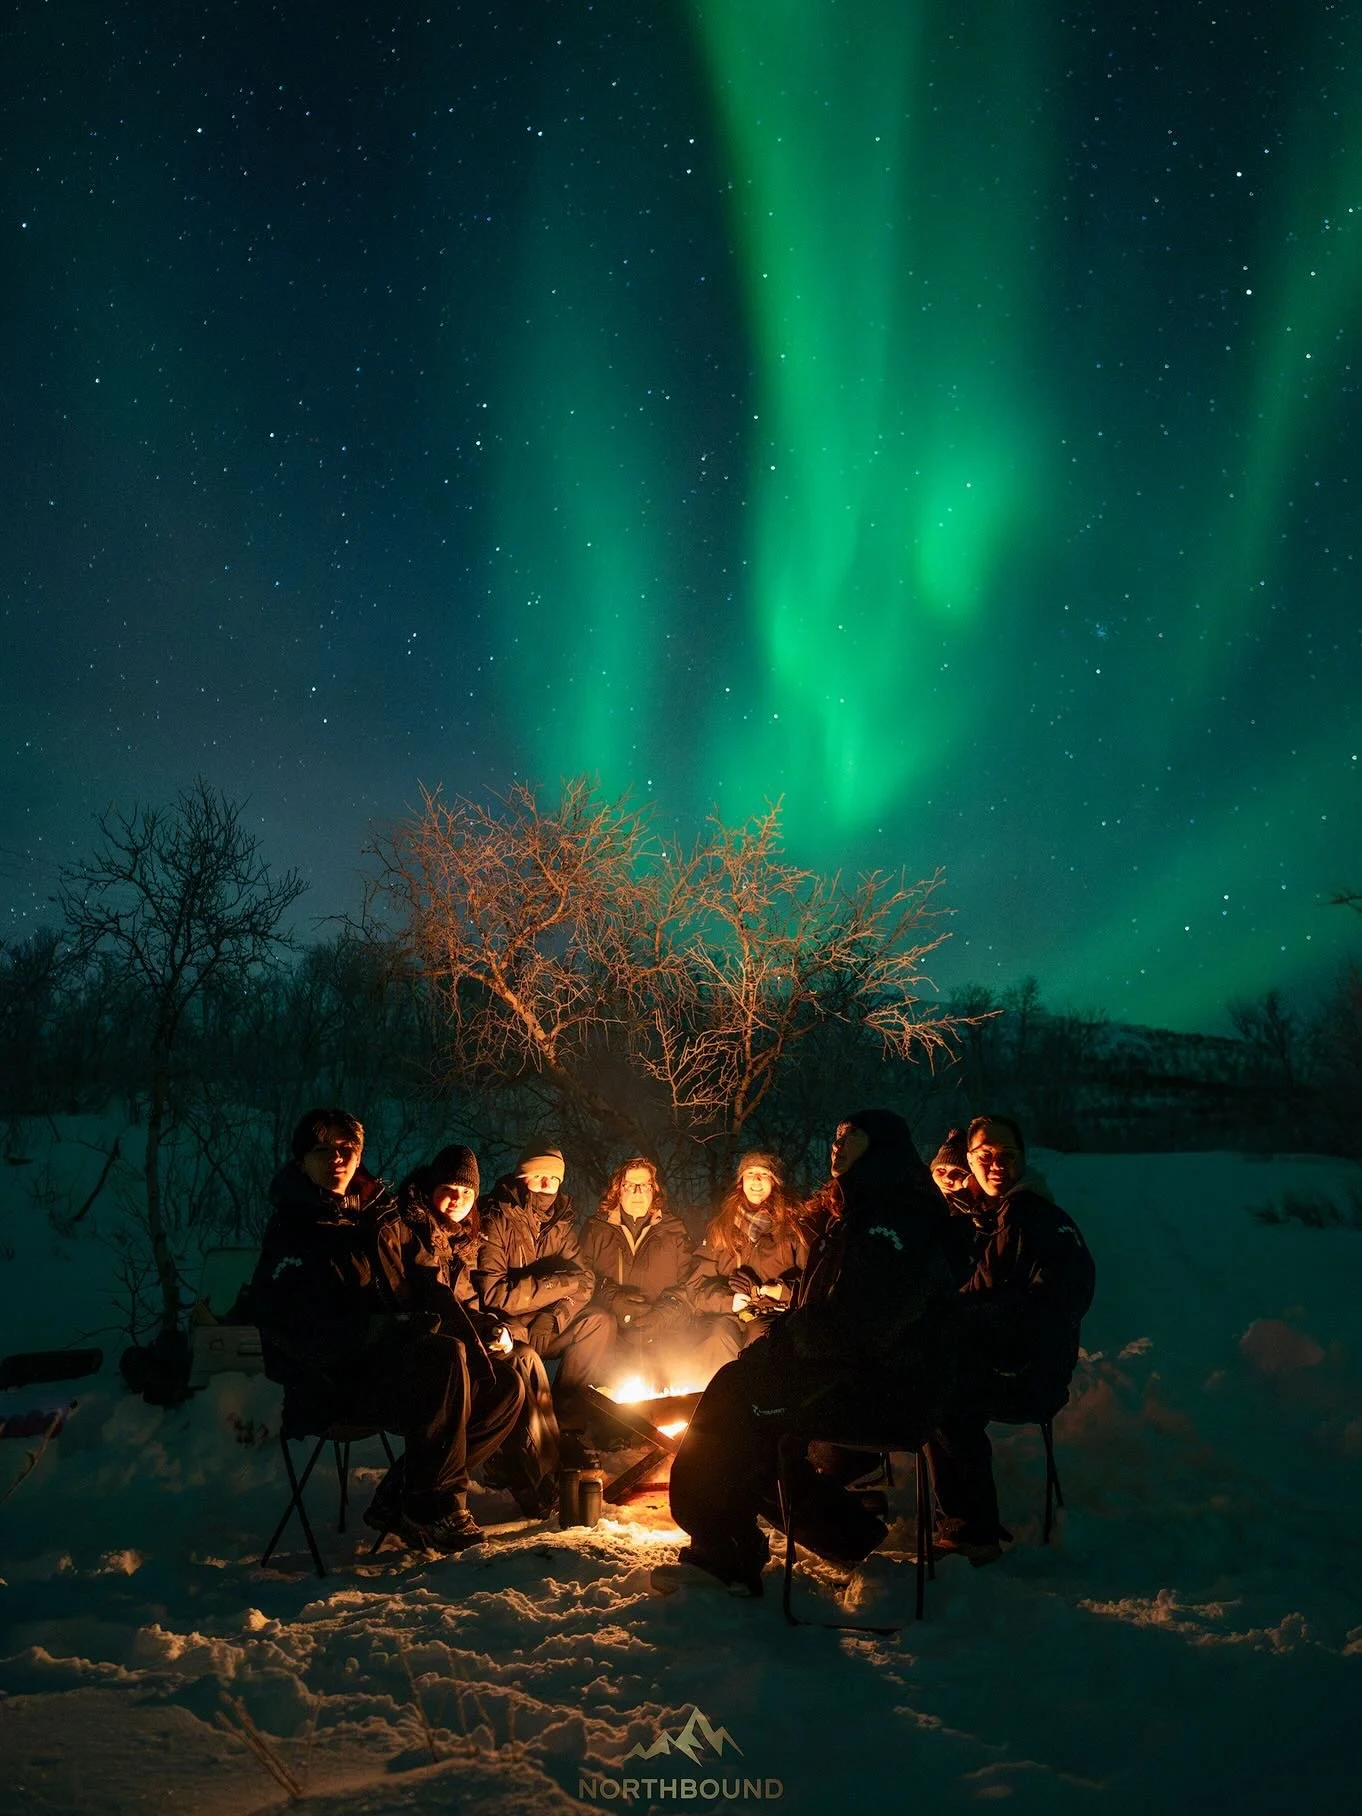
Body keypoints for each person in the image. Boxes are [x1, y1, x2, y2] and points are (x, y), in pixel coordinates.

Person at [657, 1110, 964, 1597]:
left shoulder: (895, 1224)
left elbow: (861, 1322)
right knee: (743, 1396)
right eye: (837, 1136)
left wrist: (786, 1342)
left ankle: (724, 1547)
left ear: (881, 1148)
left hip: (888, 1388)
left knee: (737, 1402)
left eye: (854, 1138)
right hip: (858, 1372)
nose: (838, 1145)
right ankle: (845, 1535)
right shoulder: (859, 1214)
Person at [251, 1109, 523, 1552]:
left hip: (399, 1367)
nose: (338, 1159)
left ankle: (404, 1496)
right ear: (302, 1161)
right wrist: (388, 1329)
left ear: (359, 1156)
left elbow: (428, 1286)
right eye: (324, 1151)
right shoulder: (294, 1230)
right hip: (336, 1382)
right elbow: (291, 1329)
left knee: (503, 1385)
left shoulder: (380, 1214)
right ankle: (437, 1507)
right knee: (444, 1357)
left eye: (347, 1150)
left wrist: (479, 1331)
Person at [923, 1114, 1096, 1562]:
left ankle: (971, 1532)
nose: (996, 1164)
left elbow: (1054, 1302)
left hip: (1028, 1372)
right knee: (926, 1376)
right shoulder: (991, 1215)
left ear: (1022, 1159)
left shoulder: (1032, 1217)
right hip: (997, 1357)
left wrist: (963, 1322)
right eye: (984, 1156)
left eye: (1006, 1155)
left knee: (940, 1396)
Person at [394, 1143, 560, 1519]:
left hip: (463, 1337)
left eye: (467, 1192)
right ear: (432, 1187)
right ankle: (527, 1482)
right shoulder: (412, 1230)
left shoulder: (462, 1240)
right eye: (450, 1189)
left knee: (526, 1356)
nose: (458, 1199)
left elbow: (468, 1304)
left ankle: (546, 1475)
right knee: (511, 1374)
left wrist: (495, 1327)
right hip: (431, 1349)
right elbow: (429, 1301)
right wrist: (478, 1334)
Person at [473, 1144, 613, 1446]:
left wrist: (554, 1316)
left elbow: (585, 1280)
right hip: (507, 1328)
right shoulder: (495, 1217)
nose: (547, 1185)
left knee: (598, 1321)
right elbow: (495, 1293)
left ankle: (568, 1425)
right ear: (523, 1177)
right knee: (525, 1359)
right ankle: (532, 1442)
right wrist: (557, 1285)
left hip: (546, 1325)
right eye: (539, 1176)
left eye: (554, 1178)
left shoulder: (559, 1223)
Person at [578, 1157, 696, 1388]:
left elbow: (690, 1285)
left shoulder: (673, 1231)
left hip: (662, 1338)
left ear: (654, 1190)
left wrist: (662, 1315)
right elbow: (580, 1278)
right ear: (618, 1191)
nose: (638, 1191)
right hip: (609, 1337)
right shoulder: (596, 1229)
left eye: (645, 1185)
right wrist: (612, 1298)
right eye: (630, 1185)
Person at [685, 1151, 808, 1372]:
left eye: (764, 1174)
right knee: (718, 1335)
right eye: (750, 1173)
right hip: (730, 1314)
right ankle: (716, 1400)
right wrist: (728, 1300)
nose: (757, 1181)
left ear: (774, 1182)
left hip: (774, 1313)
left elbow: (813, 1282)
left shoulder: (794, 1227)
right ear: (741, 1181)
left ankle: (758, 1403)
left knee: (761, 1340)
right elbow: (696, 1285)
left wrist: (781, 1291)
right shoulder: (722, 1227)